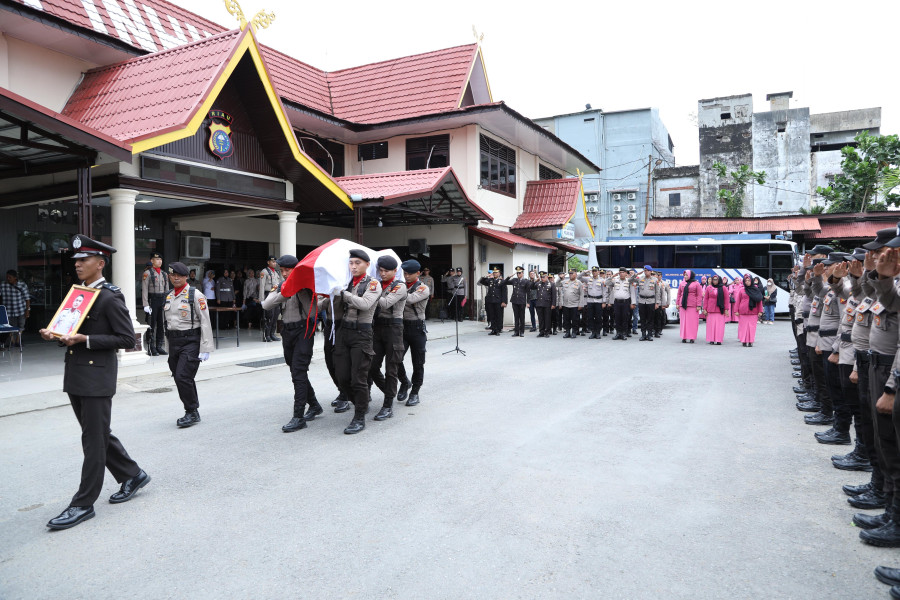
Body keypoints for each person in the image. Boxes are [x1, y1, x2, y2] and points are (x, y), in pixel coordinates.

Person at [40, 234, 150, 531]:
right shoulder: (79, 293)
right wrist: (57, 335)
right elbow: (71, 330)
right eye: (76, 260)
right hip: (77, 373)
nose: (77, 265)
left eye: (84, 260)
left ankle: (83, 503)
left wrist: (86, 339)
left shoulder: (110, 295)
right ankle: (133, 474)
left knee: (93, 439)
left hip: (96, 375)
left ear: (100, 264)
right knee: (97, 433)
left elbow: (127, 338)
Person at [262, 255, 322, 433]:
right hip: (287, 331)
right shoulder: (281, 285)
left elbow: (314, 311)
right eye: (282, 270)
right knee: (295, 370)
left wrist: (301, 289)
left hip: (304, 330)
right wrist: (284, 291)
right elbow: (266, 304)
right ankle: (315, 405)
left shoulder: (306, 286)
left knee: (298, 371)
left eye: (288, 270)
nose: (285, 273)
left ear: (296, 269)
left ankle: (298, 416)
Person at [333, 249, 381, 434]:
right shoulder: (344, 283)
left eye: (357, 263)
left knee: (358, 378)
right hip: (344, 333)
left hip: (362, 334)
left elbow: (365, 304)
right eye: (351, 263)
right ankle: (360, 403)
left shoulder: (373, 284)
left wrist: (344, 294)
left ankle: (359, 416)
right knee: (342, 377)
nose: (353, 266)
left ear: (367, 265)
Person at [162, 262, 214, 428]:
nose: (176, 278)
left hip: (191, 341)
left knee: (182, 376)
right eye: (173, 275)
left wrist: (206, 348)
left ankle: (192, 412)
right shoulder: (169, 296)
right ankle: (190, 409)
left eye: (179, 275)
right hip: (174, 342)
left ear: (186, 277)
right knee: (181, 378)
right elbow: (168, 324)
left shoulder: (195, 295)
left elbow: (205, 321)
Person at [368, 255, 408, 421]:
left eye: (386, 271)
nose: (382, 273)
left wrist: (369, 294)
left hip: (394, 328)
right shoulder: (376, 284)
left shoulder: (400, 286)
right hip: (377, 327)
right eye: (380, 270)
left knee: (391, 368)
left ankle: (387, 405)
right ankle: (389, 391)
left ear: (395, 271)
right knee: (371, 365)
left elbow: (385, 303)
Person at [395, 259, 430, 406]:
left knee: (418, 363)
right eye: (404, 273)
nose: (406, 276)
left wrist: (394, 293)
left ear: (418, 273)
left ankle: (415, 392)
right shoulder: (400, 286)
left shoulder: (423, 288)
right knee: (395, 359)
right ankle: (404, 382)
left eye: (410, 274)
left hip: (416, 328)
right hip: (401, 327)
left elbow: (409, 299)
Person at [141, 252, 168, 356]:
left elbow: (167, 291)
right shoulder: (147, 273)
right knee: (151, 325)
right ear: (152, 261)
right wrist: (145, 304)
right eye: (157, 259)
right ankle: (151, 347)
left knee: (161, 325)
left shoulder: (164, 274)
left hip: (162, 300)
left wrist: (167, 302)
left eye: (160, 259)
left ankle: (159, 346)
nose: (159, 261)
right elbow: (144, 290)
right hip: (152, 300)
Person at [0, 268, 30, 348]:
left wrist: (27, 310)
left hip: (20, 309)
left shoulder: (22, 285)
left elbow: (27, 299)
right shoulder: (3, 284)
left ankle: (18, 341)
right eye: (7, 277)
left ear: (15, 278)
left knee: (21, 326)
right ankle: (12, 341)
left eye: (10, 277)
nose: (8, 279)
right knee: (10, 326)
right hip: (8, 310)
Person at [607, 267, 636, 340]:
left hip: (626, 302)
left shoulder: (629, 281)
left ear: (626, 273)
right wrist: (612, 276)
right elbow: (606, 282)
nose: (621, 274)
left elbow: (632, 292)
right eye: (620, 272)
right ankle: (618, 333)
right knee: (617, 318)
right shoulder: (615, 281)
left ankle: (623, 333)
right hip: (616, 302)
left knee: (625, 318)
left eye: (623, 272)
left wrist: (633, 303)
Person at [735, 273, 763, 346]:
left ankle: (750, 341)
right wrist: (736, 310)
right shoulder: (741, 290)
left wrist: (760, 311)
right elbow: (738, 301)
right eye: (746, 280)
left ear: (751, 281)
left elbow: (759, 301)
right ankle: (744, 341)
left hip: (753, 311)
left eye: (749, 280)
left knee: (752, 327)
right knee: (743, 327)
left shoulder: (756, 289)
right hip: (743, 311)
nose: (747, 282)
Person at [260, 256, 284, 342]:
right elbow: (262, 286)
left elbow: (281, 283)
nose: (274, 263)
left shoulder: (276, 272)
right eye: (272, 262)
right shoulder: (264, 272)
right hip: (268, 294)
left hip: (275, 294)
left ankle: (272, 334)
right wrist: (262, 300)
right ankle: (267, 335)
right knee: (269, 316)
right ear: (268, 262)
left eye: (275, 262)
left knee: (275, 315)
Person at [634, 265, 660, 341]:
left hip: (651, 301)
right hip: (642, 301)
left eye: (647, 270)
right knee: (642, 319)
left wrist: (657, 303)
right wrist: (636, 274)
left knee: (650, 319)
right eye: (645, 270)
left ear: (651, 271)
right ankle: (643, 335)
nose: (646, 272)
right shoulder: (640, 278)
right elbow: (630, 281)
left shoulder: (655, 280)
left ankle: (649, 335)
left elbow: (657, 292)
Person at [479, 268, 507, 335]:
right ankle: (493, 329)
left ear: (499, 273)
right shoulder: (490, 280)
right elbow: (482, 282)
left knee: (498, 316)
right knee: (492, 316)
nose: (495, 274)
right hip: (491, 301)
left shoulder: (502, 281)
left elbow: (504, 292)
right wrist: (486, 276)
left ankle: (498, 329)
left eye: (496, 272)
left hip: (498, 301)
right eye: (494, 273)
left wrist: (504, 301)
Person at [677, 270, 702, 343]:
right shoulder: (682, 283)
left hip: (692, 305)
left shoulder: (696, 283)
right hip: (683, 305)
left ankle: (691, 337)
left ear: (690, 275)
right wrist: (677, 303)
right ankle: (684, 337)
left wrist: (699, 305)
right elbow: (679, 294)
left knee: (692, 322)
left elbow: (699, 295)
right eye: (684, 275)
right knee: (683, 321)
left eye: (687, 275)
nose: (685, 276)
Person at [503, 266, 530, 337]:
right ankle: (516, 332)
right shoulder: (514, 280)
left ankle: (522, 332)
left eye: (519, 273)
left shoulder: (526, 281)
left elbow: (528, 293)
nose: (518, 274)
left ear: (522, 273)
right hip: (514, 301)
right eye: (517, 273)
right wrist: (509, 276)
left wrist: (528, 302)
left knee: (522, 317)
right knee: (516, 317)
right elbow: (504, 282)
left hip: (522, 301)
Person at [558, 269, 584, 338]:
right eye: (569, 274)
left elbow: (581, 294)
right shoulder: (565, 282)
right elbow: (557, 284)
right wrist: (560, 278)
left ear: (576, 274)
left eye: (572, 273)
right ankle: (567, 332)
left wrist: (581, 304)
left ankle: (574, 332)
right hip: (566, 304)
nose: (570, 275)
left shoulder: (579, 283)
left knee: (575, 319)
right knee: (566, 319)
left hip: (575, 304)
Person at [702, 274, 726, 345]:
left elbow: (726, 299)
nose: (714, 281)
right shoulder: (709, 288)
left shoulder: (723, 288)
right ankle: (711, 339)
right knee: (710, 325)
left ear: (719, 280)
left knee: (719, 326)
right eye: (713, 279)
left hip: (720, 309)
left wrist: (726, 309)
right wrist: (705, 309)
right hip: (711, 309)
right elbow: (705, 299)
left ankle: (719, 340)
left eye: (716, 279)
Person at [530, 271, 555, 337]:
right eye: (541, 277)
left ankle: (547, 331)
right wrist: (535, 280)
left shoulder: (551, 284)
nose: (542, 278)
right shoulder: (538, 283)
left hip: (547, 304)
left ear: (547, 277)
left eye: (543, 277)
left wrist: (553, 304)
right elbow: (531, 287)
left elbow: (554, 296)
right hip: (539, 304)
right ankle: (541, 331)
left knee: (547, 318)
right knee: (540, 319)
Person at [654, 271, 670, 337]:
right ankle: (654, 330)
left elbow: (668, 293)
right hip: (652, 302)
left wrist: (667, 303)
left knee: (661, 318)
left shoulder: (665, 283)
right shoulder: (652, 282)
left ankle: (659, 330)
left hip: (661, 303)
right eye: (657, 275)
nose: (658, 276)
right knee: (653, 317)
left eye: (659, 275)